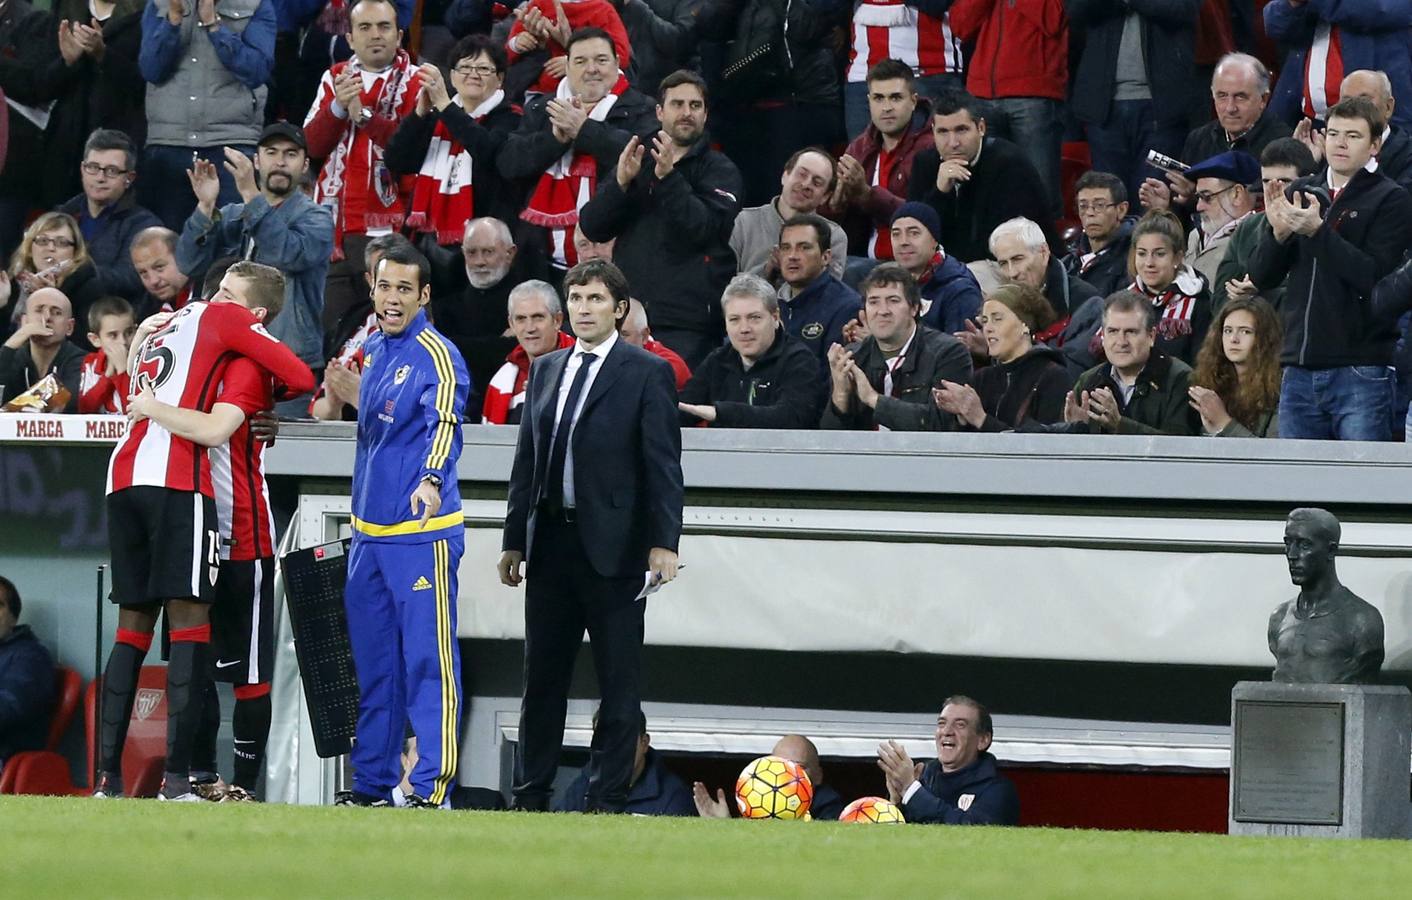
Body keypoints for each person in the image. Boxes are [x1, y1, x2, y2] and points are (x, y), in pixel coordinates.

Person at [96, 261, 316, 801]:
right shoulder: (201, 338)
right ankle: (193, 775)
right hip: (190, 508)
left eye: (226, 294)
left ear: (254, 316)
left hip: (242, 529)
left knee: (246, 674)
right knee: (191, 653)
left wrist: (150, 403)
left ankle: (240, 786)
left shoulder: (242, 361)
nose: (213, 299)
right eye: (215, 291)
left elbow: (222, 424)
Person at [498, 258, 683, 813]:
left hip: (617, 548)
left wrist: (664, 542)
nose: (584, 309)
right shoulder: (547, 368)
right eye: (577, 299)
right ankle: (530, 795)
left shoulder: (646, 372)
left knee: (619, 684)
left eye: (596, 299)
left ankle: (606, 798)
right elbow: (527, 459)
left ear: (619, 309)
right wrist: (514, 538)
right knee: (542, 680)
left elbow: (663, 466)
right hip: (551, 544)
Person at [339, 242, 469, 809]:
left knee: (427, 666)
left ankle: (429, 789)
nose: (392, 299)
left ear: (423, 295)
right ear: (372, 288)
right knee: (376, 673)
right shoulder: (371, 348)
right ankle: (370, 786)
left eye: (403, 290)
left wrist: (432, 478)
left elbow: (446, 420)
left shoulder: (438, 354)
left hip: (422, 535)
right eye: (384, 287)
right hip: (369, 536)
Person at [1248, 96, 1412, 441]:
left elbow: (1372, 277)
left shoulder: (1392, 199)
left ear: (1375, 145)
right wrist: (1277, 235)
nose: (1340, 143)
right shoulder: (1300, 191)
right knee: (1299, 489)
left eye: (1353, 136)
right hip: (1298, 367)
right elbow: (1262, 276)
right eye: (1334, 133)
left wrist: (1317, 232)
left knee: (1359, 488)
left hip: (1360, 368)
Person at [578, 68, 743, 370]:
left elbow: (702, 228)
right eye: (677, 104)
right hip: (627, 317)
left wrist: (667, 177)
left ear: (706, 115)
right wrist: (621, 185)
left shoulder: (720, 170)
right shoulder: (636, 157)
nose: (686, 113)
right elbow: (592, 226)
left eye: (695, 106)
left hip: (688, 323)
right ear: (659, 111)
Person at [178, 122, 336, 413]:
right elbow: (189, 263)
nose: (279, 161)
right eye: (271, 152)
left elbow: (285, 254)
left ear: (304, 165)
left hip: (288, 361)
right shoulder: (234, 215)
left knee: (284, 454)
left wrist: (251, 194)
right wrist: (205, 207)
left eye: (290, 154)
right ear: (256, 160)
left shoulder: (317, 219)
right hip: (231, 358)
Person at [304, 0, 424, 326]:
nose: (375, 35)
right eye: (365, 28)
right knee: (334, 332)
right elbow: (312, 145)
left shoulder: (418, 82)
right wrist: (339, 109)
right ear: (350, 38)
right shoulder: (334, 79)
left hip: (391, 229)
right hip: (335, 229)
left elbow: (410, 149)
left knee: (390, 329)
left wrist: (363, 115)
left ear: (399, 36)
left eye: (384, 27)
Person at [499, 27, 656, 273]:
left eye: (601, 60)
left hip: (619, 262)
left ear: (617, 63)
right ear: (567, 67)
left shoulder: (644, 107)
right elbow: (509, 163)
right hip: (543, 261)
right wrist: (554, 140)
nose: (591, 68)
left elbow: (646, 160)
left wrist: (584, 131)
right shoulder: (543, 108)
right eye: (580, 61)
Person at [138, 0, 275, 230]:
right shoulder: (159, 4)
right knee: (166, 247)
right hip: (169, 144)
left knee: (231, 247)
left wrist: (215, 26)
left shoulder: (255, 4)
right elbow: (151, 68)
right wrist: (172, 21)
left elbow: (257, 70)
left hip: (231, 144)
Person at [384, 34, 524, 241]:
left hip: (483, 238)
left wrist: (445, 106)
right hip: (426, 236)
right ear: (452, 76)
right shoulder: (437, 117)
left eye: (484, 69)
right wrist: (420, 114)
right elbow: (396, 160)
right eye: (465, 68)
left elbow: (488, 153)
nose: (473, 75)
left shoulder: (512, 117)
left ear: (500, 78)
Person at [1067, 0, 1198, 205]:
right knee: (1109, 203)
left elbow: (1185, 8)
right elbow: (1076, 9)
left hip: (1163, 112)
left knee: (1152, 202)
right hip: (1103, 111)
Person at [949, 0, 1069, 219]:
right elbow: (960, 25)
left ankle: (1046, 250)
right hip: (981, 94)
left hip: (1035, 95)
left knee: (1039, 190)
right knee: (983, 190)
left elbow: (1054, 19)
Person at [908, 88, 1055, 264]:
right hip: (944, 266)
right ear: (933, 131)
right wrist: (940, 192)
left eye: (961, 130)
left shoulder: (1009, 164)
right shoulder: (924, 163)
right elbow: (913, 234)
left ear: (981, 128)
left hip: (1004, 265)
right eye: (943, 132)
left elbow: (1007, 241)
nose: (953, 143)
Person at [822, 263, 971, 431]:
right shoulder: (852, 358)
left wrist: (873, 399)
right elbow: (829, 439)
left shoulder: (948, 353)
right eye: (874, 302)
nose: (882, 311)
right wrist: (840, 396)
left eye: (893, 301)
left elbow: (942, 424)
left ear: (914, 308)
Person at [1142, 53, 1290, 214]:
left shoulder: (1281, 144)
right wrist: (1166, 208)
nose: (1230, 108)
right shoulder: (1198, 139)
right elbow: (1191, 215)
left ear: (1264, 99)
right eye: (1222, 96)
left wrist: (1200, 192)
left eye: (1240, 97)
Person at [824, 60, 934, 274]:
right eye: (878, 98)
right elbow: (831, 224)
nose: (886, 107)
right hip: (863, 258)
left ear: (913, 101)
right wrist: (836, 203)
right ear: (869, 101)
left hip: (915, 265)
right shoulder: (859, 148)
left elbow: (924, 217)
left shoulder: (932, 148)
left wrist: (866, 195)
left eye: (895, 98)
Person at [677, 273, 825, 429]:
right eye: (734, 320)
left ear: (775, 318)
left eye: (754, 318)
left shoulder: (799, 360)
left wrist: (721, 413)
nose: (744, 329)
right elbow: (683, 411)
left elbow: (791, 417)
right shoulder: (717, 361)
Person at [1270, 508, 1385, 685]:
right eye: (1288, 543)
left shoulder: (1362, 620)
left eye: (1304, 545)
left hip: (1334, 711)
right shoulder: (1279, 617)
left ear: (1331, 551)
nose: (1292, 555)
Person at [933, 284, 1069, 431]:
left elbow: (1043, 446)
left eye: (997, 319)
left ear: (1025, 325)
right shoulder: (981, 379)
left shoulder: (1053, 377)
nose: (988, 328)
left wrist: (980, 418)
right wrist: (961, 417)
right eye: (985, 321)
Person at [1059, 290, 1196, 436]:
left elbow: (1179, 449)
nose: (1121, 342)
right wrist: (1077, 430)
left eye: (1131, 332)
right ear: (1103, 336)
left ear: (1151, 336)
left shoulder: (1180, 378)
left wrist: (1120, 425)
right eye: (1113, 331)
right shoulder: (1089, 380)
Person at [431, 217, 539, 403]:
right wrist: (500, 343)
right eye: (472, 252)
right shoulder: (445, 309)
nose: (479, 261)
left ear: (510, 253)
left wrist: (459, 345)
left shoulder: (531, 304)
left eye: (488, 252)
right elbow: (440, 355)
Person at [309, 234, 413, 422]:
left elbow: (418, 421)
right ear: (369, 279)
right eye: (381, 276)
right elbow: (317, 408)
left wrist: (360, 398)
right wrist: (333, 406)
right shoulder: (353, 320)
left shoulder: (421, 333)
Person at [1264, 1, 1412, 132]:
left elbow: (1379, 9)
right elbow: (1276, 25)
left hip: (1374, 121)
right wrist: (1293, 4)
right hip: (1308, 119)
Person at [877, 695, 1020, 826]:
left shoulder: (998, 790)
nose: (947, 731)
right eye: (942, 723)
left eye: (960, 725)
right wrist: (897, 802)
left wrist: (911, 790)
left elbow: (970, 831)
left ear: (983, 740)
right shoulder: (923, 778)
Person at [1214, 138, 1318, 314]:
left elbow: (1315, 300)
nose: (1273, 190)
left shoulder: (1320, 228)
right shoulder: (1248, 227)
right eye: (1266, 182)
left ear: (1309, 182)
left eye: (1284, 181)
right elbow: (1219, 300)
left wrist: (1259, 296)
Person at [57, 129, 162, 304]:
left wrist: (74, 274)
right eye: (93, 168)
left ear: (129, 178)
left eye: (112, 171)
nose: (100, 177)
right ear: (83, 169)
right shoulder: (62, 215)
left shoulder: (143, 225)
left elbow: (130, 278)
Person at [841, 1, 962, 141]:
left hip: (929, 71)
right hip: (862, 75)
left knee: (923, 156)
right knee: (862, 157)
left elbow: (937, 5)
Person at [730, 148, 849, 283]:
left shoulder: (834, 236)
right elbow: (722, 283)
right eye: (801, 174)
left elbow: (830, 296)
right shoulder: (743, 222)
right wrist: (766, 271)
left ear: (825, 196)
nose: (806, 184)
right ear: (785, 175)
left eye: (817, 182)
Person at [554, 710, 694, 815]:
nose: (613, 750)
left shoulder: (673, 797)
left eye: (623, 741)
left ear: (644, 743)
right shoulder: (584, 784)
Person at [2, 212, 108, 347]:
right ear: (29, 247)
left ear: (75, 252)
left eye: (61, 243)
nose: (50, 248)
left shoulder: (88, 288)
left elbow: (84, 345)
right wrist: (2, 304)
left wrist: (53, 299)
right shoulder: (13, 284)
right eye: (42, 241)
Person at [774, 215, 862, 377]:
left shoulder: (847, 307)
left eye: (804, 247)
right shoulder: (770, 304)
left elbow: (830, 378)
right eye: (786, 247)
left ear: (826, 257)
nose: (792, 255)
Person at [482, 279, 574, 425]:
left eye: (538, 317)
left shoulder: (583, 366)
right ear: (511, 324)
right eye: (521, 319)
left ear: (557, 320)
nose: (530, 328)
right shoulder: (501, 380)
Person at [693, 734, 845, 821]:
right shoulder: (756, 797)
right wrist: (725, 826)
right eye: (780, 766)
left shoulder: (827, 805)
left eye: (799, 767)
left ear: (818, 776)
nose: (789, 776)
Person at [1189, 296, 1282, 438]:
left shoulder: (1282, 389)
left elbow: (1271, 456)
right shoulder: (1210, 380)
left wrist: (1224, 423)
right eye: (1228, 331)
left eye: (1245, 331)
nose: (1234, 339)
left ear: (1265, 338)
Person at [504, 0, 632, 99]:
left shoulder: (602, 9)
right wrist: (519, 43)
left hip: (593, 93)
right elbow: (506, 55)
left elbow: (620, 56)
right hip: (539, 93)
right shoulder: (538, 5)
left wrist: (574, 62)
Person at [888, 203, 981, 337]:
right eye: (896, 234)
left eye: (914, 233)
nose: (903, 242)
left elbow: (956, 354)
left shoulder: (960, 290)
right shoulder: (889, 282)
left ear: (934, 240)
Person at [1183, 151, 1261, 292]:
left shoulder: (1257, 239)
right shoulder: (1195, 235)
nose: (1198, 207)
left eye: (1207, 197)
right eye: (1198, 198)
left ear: (1237, 194)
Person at [0, 575, 56, 771]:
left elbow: (10, 706)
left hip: (8, 756)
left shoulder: (31, 657)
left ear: (13, 617)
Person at [0, 289, 85, 411]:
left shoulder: (83, 363)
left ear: (69, 327)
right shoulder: (11, 358)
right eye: (39, 310)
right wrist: (11, 345)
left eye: (57, 312)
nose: (47, 318)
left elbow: (56, 404)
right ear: (25, 321)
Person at [1063, 170, 1135, 300]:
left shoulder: (1134, 256)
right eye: (1083, 206)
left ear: (1121, 210)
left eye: (1099, 205)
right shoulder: (1070, 259)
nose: (1090, 213)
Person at [78, 295, 136, 414]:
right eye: (113, 335)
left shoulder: (145, 362)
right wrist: (108, 377)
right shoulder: (91, 363)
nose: (123, 341)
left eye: (129, 332)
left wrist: (123, 372)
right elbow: (85, 409)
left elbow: (134, 413)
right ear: (95, 339)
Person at [619, 299, 691, 390]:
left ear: (644, 336)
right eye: (609, 334)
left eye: (623, 335)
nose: (613, 341)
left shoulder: (669, 367)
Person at [129, 226, 196, 318]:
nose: (153, 281)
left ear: (182, 256)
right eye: (143, 272)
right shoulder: (145, 312)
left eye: (159, 267)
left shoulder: (212, 292)